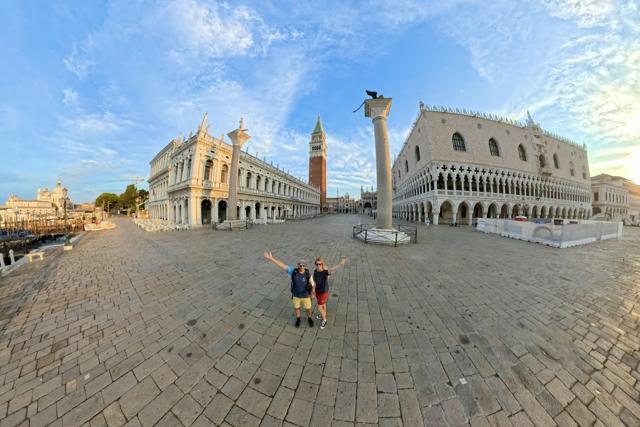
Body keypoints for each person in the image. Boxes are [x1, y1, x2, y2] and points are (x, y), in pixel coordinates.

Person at [263, 251, 315, 328]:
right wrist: (272, 258)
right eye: (300, 265)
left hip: (306, 296)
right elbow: (283, 266)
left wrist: (313, 292)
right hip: (296, 295)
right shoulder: (294, 271)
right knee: (297, 308)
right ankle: (298, 319)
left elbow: (313, 284)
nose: (301, 267)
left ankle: (309, 318)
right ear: (298, 265)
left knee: (308, 308)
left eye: (303, 265)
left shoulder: (308, 275)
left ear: (305, 266)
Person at [313, 256, 347, 329]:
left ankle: (324, 320)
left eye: (320, 264)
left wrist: (341, 263)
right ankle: (323, 314)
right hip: (317, 291)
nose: (318, 265)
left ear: (322, 264)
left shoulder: (325, 272)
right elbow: (314, 281)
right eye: (317, 264)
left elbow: (333, 268)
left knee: (319, 307)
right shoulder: (315, 271)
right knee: (323, 304)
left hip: (323, 292)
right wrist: (313, 290)